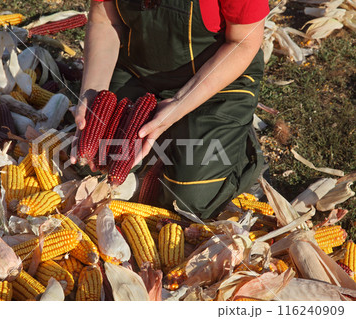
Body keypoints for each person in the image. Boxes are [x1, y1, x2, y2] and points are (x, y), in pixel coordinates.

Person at [70, 0, 269, 219]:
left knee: (187, 200)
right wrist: (94, 93)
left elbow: (243, 43)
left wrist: (179, 103)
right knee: (92, 167)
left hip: (217, 78)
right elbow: (104, 20)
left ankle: (237, 143)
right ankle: (172, 141)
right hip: (137, 71)